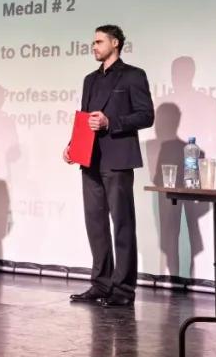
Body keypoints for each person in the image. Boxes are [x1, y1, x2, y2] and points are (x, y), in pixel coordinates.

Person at [63, 25, 154, 307]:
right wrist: (72, 145)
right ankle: (101, 284)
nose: (94, 46)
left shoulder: (133, 75)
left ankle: (123, 289)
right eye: (93, 42)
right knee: (96, 222)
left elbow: (146, 115)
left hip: (118, 158)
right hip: (90, 157)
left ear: (115, 43)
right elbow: (85, 117)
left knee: (122, 223)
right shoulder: (90, 79)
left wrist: (111, 122)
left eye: (99, 42)